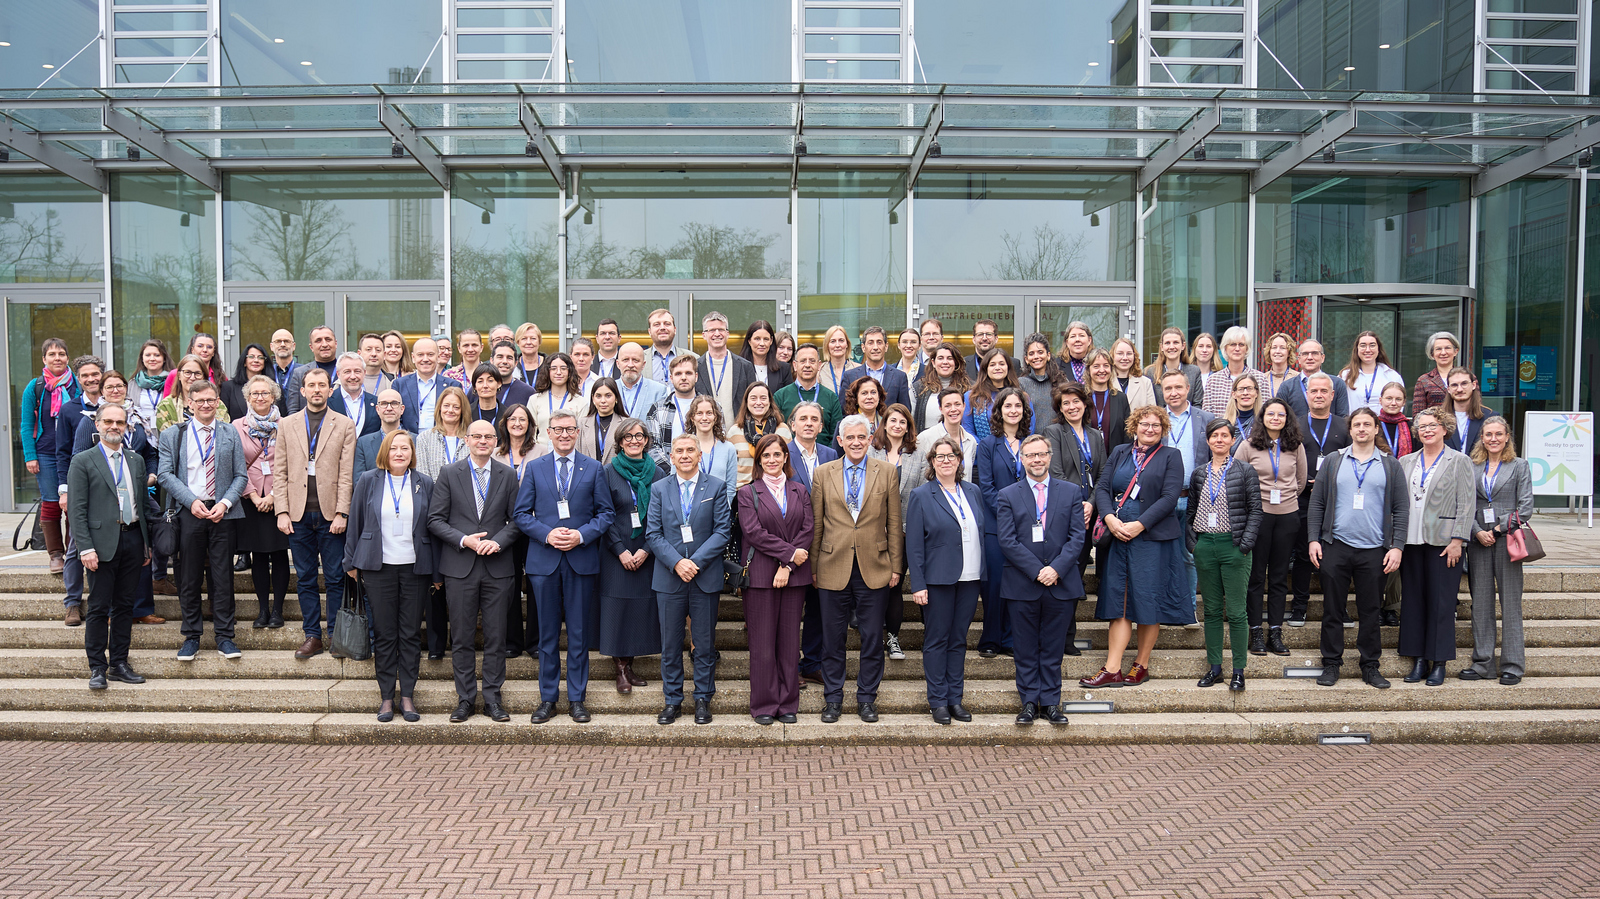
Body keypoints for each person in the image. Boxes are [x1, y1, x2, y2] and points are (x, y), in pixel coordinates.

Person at [515, 410, 615, 724]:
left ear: (577, 432)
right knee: (546, 635)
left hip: (580, 560)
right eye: (557, 429)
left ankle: (576, 699)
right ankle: (548, 699)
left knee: (579, 634)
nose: (563, 435)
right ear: (548, 431)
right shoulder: (534, 468)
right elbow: (521, 514)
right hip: (544, 562)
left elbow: (605, 514)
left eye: (569, 429)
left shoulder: (594, 468)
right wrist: (547, 534)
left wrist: (581, 535)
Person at [1081, 406, 1188, 688]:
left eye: (1156, 425)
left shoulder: (1171, 456)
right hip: (1118, 536)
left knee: (1147, 602)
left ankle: (1141, 664)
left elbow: (1169, 497)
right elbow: (1103, 487)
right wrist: (1109, 518)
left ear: (1163, 429)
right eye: (1144, 424)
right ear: (1134, 426)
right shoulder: (1119, 452)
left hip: (1152, 539)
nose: (1149, 429)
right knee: (1119, 602)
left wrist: (1140, 525)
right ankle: (1112, 668)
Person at [810, 415, 903, 723]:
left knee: (873, 637)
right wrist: (813, 566)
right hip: (831, 565)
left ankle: (866, 698)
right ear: (840, 441)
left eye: (861, 437)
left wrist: (896, 567)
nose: (856, 442)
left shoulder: (887, 472)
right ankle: (833, 699)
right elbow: (817, 523)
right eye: (849, 437)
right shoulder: (823, 473)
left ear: (869, 439)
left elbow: (893, 522)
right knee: (832, 638)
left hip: (874, 567)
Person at [1308, 407, 1406, 689]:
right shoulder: (1333, 461)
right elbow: (1317, 503)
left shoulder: (1390, 464)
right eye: (1357, 425)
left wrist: (1397, 546)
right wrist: (1314, 539)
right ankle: (1330, 663)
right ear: (1350, 430)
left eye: (1367, 424)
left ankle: (1370, 665)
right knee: (1332, 609)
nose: (1361, 429)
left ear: (1376, 429)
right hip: (1335, 545)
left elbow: (1401, 509)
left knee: (1371, 610)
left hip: (1375, 548)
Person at [428, 420, 519, 722]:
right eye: (477, 436)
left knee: (496, 636)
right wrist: (463, 539)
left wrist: (499, 542)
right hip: (459, 567)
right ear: (466, 440)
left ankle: (493, 698)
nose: (483, 441)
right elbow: (435, 520)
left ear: (496, 441)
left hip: (497, 567)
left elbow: (518, 520)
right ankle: (465, 698)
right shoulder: (449, 474)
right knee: (463, 637)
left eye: (488, 436)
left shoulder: (507, 474)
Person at [343, 431, 436, 723]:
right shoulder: (368, 480)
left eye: (404, 448)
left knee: (409, 634)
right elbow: (355, 522)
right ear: (385, 451)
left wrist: (436, 571)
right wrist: (351, 561)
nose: (399, 453)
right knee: (384, 634)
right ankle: (386, 696)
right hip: (377, 567)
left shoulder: (424, 483)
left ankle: (407, 695)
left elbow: (433, 528)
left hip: (414, 568)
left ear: (412, 453)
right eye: (393, 448)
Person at [997, 433, 1086, 725]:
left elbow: (1077, 538)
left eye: (1041, 454)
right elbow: (1007, 541)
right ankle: (1027, 703)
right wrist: (1037, 570)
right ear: (1022, 460)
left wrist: (1056, 569)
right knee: (1024, 648)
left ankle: (1050, 703)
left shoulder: (1071, 492)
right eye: (1030, 455)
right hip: (1023, 584)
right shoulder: (1008, 494)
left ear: (1050, 456)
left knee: (1052, 647)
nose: (1036, 460)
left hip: (1060, 583)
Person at [157, 379, 249, 662]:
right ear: (190, 404)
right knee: (189, 577)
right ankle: (191, 636)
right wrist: (191, 501)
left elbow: (240, 476)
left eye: (211, 400)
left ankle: (224, 636)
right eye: (200, 401)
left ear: (217, 401)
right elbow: (165, 475)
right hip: (190, 512)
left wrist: (224, 503)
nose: (206, 405)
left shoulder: (230, 433)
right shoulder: (174, 434)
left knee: (223, 577)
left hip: (223, 512)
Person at [646, 434, 731, 724]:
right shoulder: (659, 488)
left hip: (704, 577)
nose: (684, 455)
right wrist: (677, 563)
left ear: (699, 456)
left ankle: (703, 699)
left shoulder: (716, 487)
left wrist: (694, 563)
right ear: (672, 457)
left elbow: (722, 532)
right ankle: (672, 701)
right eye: (679, 451)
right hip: (669, 578)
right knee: (670, 645)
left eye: (690, 450)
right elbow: (653, 534)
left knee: (704, 644)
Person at [273, 366, 357, 660]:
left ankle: (334, 633)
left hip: (330, 514)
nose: (317, 390)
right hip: (296, 514)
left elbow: (347, 474)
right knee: (306, 577)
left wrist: (342, 513)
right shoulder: (287, 424)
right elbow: (279, 471)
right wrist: (281, 510)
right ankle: (312, 635)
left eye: (323, 385)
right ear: (303, 390)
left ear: (330, 390)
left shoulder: (344, 425)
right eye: (312, 385)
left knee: (334, 577)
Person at [68, 403, 150, 691]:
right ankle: (97, 668)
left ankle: (119, 663)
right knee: (100, 608)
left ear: (127, 426)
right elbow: (77, 511)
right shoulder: (83, 461)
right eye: (109, 422)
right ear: (98, 425)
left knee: (125, 606)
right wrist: (85, 548)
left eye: (120, 422)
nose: (114, 426)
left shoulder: (135, 460)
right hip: (100, 546)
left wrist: (147, 544)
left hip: (132, 539)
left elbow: (142, 502)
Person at [905, 434, 984, 725]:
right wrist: (919, 584)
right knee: (937, 640)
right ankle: (937, 701)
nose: (946, 461)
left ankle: (955, 699)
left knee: (958, 640)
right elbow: (914, 545)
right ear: (932, 462)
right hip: (937, 580)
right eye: (940, 456)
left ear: (960, 460)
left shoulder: (973, 492)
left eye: (951, 456)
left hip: (970, 576)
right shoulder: (922, 495)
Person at [737, 435, 814, 724]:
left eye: (777, 455)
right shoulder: (748, 493)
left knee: (789, 642)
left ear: (785, 457)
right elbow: (753, 533)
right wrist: (790, 555)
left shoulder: (799, 490)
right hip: (760, 576)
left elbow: (808, 529)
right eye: (766, 455)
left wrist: (788, 566)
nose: (772, 460)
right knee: (762, 644)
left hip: (794, 576)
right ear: (759, 460)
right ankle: (764, 706)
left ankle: (788, 703)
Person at [76, 370, 162, 626]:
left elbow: (150, 453)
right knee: (108, 573)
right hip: (104, 501)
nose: (116, 390)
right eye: (110, 386)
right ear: (102, 390)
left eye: (120, 386)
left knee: (142, 547)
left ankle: (142, 608)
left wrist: (151, 475)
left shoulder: (136, 418)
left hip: (136, 493)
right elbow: (80, 456)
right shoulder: (90, 420)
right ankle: (113, 617)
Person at [1398, 407, 1475, 687]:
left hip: (1444, 543)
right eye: (1422, 426)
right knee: (1413, 601)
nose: (1427, 430)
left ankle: (1438, 662)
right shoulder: (1405, 461)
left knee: (1441, 603)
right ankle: (1418, 659)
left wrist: (1459, 540)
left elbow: (1467, 504)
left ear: (1445, 429)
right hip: (1411, 540)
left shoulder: (1459, 461)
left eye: (1433, 425)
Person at [1187, 418, 1261, 691]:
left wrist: (1245, 544)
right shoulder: (1199, 474)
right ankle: (1215, 667)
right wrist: (1194, 544)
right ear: (1208, 441)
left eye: (1224, 435)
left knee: (1237, 612)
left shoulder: (1245, 471)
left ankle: (1239, 670)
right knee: (1213, 610)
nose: (1219, 440)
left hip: (1234, 546)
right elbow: (1192, 511)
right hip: (1206, 545)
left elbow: (1255, 510)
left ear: (1233, 440)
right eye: (1214, 435)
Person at [1233, 398, 1307, 656]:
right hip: (1258, 517)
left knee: (1278, 577)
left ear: (1288, 419)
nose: (1276, 418)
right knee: (1255, 577)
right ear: (1262, 417)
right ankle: (1255, 632)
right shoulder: (1248, 445)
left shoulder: (1295, 446)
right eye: (1271, 414)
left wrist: (1283, 497)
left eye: (1281, 414)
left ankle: (1275, 632)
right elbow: (1237, 480)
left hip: (1287, 516)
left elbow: (1300, 481)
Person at [1464, 416, 1534, 686]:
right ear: (1482, 437)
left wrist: (1495, 531)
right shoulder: (1471, 466)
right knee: (1480, 604)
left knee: (1510, 604)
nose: (1493, 439)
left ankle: (1513, 666)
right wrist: (1476, 530)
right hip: (1478, 541)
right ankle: (1483, 663)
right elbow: (1464, 503)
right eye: (1488, 434)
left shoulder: (1519, 466)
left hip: (1508, 543)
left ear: (1507, 437)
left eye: (1499, 434)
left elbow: (1525, 508)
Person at [598, 418, 665, 695]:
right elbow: (604, 514)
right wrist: (621, 550)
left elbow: (662, 516)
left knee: (641, 608)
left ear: (647, 440)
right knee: (618, 608)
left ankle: (631, 663)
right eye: (628, 437)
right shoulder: (608, 472)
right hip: (616, 551)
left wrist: (647, 549)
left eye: (639, 436)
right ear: (620, 441)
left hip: (647, 550)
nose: (634, 441)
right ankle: (621, 668)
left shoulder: (659, 474)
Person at [1288, 372, 1350, 628]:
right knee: (1304, 554)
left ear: (1332, 395)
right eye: (1314, 391)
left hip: (1337, 501)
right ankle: (1299, 607)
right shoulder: (1295, 425)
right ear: (1306, 395)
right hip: (1302, 498)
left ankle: (1339, 608)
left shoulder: (1345, 425)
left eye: (1324, 391)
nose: (1319, 395)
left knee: (1337, 556)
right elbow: (1287, 460)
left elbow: (1351, 460)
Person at [975, 387, 1033, 659]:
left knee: (1019, 583)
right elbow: (985, 487)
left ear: (1024, 410)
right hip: (995, 526)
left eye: (1017, 406)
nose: (1013, 410)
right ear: (998, 411)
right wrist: (1011, 514)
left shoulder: (1032, 442)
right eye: (1007, 406)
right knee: (994, 583)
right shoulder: (987, 445)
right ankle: (991, 639)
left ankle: (1011, 638)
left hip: (1028, 527)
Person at [1043, 382, 1105, 629]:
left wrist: (1090, 504)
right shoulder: (1054, 432)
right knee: (1064, 575)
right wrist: (1078, 506)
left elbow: (1103, 475)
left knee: (1077, 573)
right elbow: (1056, 473)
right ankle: (1061, 633)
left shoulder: (1095, 435)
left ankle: (1069, 632)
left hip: (1090, 514)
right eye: (1065, 403)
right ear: (1060, 407)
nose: (1071, 407)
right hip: (1064, 515)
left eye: (1075, 401)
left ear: (1084, 403)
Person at [414, 385, 469, 660]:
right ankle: (436, 645)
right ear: (439, 410)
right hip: (434, 518)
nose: (450, 410)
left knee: (460, 582)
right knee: (435, 583)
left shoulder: (470, 439)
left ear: (462, 410)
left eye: (455, 406)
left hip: (464, 519)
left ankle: (462, 640)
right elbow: (422, 478)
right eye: (446, 406)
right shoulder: (424, 439)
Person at [786, 401, 838, 688]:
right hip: (793, 544)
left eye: (814, 419)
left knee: (818, 609)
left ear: (821, 426)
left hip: (825, 544)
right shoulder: (782, 453)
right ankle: (790, 665)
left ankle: (813, 664)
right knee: (793, 610)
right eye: (802, 418)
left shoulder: (831, 454)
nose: (808, 423)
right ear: (793, 424)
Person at [234, 375, 292, 629]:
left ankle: (277, 610)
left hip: (280, 498)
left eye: (265, 393)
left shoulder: (288, 425)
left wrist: (273, 496)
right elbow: (235, 464)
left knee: (280, 555)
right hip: (251, 500)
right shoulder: (236, 426)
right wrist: (254, 496)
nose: (260, 397)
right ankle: (261, 610)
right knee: (257, 556)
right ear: (248, 398)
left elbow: (292, 464)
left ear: (274, 396)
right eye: (255, 393)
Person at [492, 404, 547, 660]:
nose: (517, 423)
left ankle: (535, 641)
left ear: (530, 424)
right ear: (505, 423)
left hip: (535, 527)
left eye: (522, 419)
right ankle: (512, 641)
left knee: (536, 583)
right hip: (505, 528)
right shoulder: (494, 454)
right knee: (509, 583)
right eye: (512, 419)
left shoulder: (542, 452)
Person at [22, 338, 79, 575]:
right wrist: (30, 456)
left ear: (68, 358)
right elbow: (27, 424)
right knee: (51, 501)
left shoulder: (77, 385)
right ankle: (56, 554)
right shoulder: (34, 387)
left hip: (74, 453)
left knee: (74, 504)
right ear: (44, 358)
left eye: (62, 354)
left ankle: (73, 551)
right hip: (45, 453)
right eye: (52, 354)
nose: (58, 358)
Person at [55, 355, 103, 625]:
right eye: (85, 375)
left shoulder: (114, 406)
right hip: (81, 488)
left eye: (95, 374)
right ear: (79, 379)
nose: (91, 379)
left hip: (110, 489)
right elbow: (63, 454)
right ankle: (73, 602)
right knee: (75, 545)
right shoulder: (70, 409)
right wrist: (65, 490)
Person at [868, 402, 918, 660]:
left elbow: (919, 495)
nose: (897, 425)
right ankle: (874, 636)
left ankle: (893, 638)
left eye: (903, 422)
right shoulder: (870, 452)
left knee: (895, 583)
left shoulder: (916, 454)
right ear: (884, 423)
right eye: (893, 420)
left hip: (905, 532)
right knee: (874, 585)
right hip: (872, 530)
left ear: (908, 427)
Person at [774, 343, 844, 447]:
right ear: (795, 365)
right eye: (802, 361)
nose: (807, 365)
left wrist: (824, 456)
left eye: (812, 361)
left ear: (819, 365)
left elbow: (836, 434)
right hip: (790, 458)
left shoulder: (831, 397)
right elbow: (775, 434)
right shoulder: (780, 396)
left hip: (824, 460)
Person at [643, 354, 706, 463]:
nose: (683, 377)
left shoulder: (712, 408)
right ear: (671, 378)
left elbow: (717, 441)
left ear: (696, 377)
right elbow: (652, 447)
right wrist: (673, 471)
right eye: (678, 374)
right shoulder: (657, 410)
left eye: (688, 373)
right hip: (669, 475)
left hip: (703, 472)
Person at [697, 311, 756, 424]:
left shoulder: (745, 366)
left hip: (738, 434)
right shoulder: (696, 367)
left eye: (721, 330)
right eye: (712, 330)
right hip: (706, 435)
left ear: (727, 334)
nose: (717, 334)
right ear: (704, 335)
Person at [729, 381, 792, 487]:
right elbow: (729, 468)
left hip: (776, 492)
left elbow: (789, 463)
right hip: (742, 492)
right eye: (753, 398)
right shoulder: (734, 432)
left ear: (770, 401)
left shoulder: (782, 430)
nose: (758, 402)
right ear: (746, 401)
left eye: (763, 398)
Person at [155, 354, 233, 434]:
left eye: (197, 373)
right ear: (179, 375)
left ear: (204, 376)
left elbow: (225, 435)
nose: (192, 378)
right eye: (187, 372)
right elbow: (168, 440)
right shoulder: (166, 406)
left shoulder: (217, 404)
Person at [1202, 327, 1270, 418]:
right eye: (1233, 344)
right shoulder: (1213, 380)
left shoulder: (1260, 378)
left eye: (1241, 345)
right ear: (1225, 348)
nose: (1237, 349)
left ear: (1246, 348)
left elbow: (1266, 411)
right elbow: (1206, 416)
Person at [1276, 338, 1350, 419]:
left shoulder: (1337, 384)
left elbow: (1343, 418)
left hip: (1330, 431)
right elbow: (1280, 416)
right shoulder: (1287, 387)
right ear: (1299, 359)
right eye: (1305, 354)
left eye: (1315, 353)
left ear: (1323, 358)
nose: (1310, 357)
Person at [962, 348, 1024, 442]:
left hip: (1015, 452)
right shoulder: (971, 396)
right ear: (985, 369)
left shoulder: (1021, 396)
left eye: (1002, 364)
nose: (997, 367)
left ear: (1008, 367)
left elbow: (1028, 428)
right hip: (982, 452)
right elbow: (968, 431)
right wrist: (986, 449)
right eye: (992, 364)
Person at [844, 325, 912, 410]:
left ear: (886, 347)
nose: (875, 347)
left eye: (879, 342)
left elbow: (905, 412)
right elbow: (844, 412)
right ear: (863, 347)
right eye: (870, 343)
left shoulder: (899, 377)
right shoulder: (850, 376)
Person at [395, 337, 453, 434]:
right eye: (420, 355)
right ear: (413, 358)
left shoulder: (452, 385)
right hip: (408, 441)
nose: (425, 359)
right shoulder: (400, 385)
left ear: (438, 357)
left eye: (430, 354)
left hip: (440, 441)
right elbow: (396, 417)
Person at [1340, 330, 1405, 413]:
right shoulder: (1345, 376)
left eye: (1372, 345)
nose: (1367, 350)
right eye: (1363, 345)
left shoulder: (1392, 376)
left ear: (1378, 349)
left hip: (1383, 425)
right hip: (1354, 424)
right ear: (1357, 349)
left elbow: (1399, 407)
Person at [911, 342, 970, 432]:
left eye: (950, 358)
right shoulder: (918, 388)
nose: (945, 362)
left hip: (958, 442)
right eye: (940, 358)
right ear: (933, 363)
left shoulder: (968, 389)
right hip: (926, 442)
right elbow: (910, 421)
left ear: (956, 362)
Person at [530, 352, 589, 439]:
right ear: (547, 372)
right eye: (553, 368)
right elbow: (530, 434)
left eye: (563, 368)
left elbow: (581, 436)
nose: (558, 372)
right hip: (541, 451)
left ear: (569, 372)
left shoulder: (580, 402)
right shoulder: (535, 400)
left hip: (569, 451)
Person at [1083, 348, 1132, 451]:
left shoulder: (1121, 398)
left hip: (1115, 461)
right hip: (1086, 461)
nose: (1102, 370)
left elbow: (1128, 434)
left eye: (1106, 365)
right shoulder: (1080, 397)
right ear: (1088, 370)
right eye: (1096, 366)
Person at [354, 389, 408, 479]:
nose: (389, 408)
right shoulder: (363, 443)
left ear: (402, 409)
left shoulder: (416, 440)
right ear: (377, 409)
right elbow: (359, 482)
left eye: (394, 403)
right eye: (384, 404)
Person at [1144, 326, 1203, 408]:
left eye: (1176, 342)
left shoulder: (1194, 372)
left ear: (1183, 346)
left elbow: (1198, 405)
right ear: (1162, 347)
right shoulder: (1149, 372)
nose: (1171, 347)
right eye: (1167, 343)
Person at [285, 326, 339, 414]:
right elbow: (293, 410)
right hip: (308, 426)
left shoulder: (347, 372)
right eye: (318, 341)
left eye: (328, 339)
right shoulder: (299, 373)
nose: (324, 344)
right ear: (311, 347)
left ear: (335, 343)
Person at [1441, 367, 1492, 454]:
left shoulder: (1489, 417)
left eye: (1464, 384)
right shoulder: (1439, 419)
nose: (1459, 389)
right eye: (1454, 385)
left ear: (1474, 385)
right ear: (1448, 389)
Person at [328, 352, 379, 438]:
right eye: (347, 372)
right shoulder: (328, 401)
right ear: (338, 374)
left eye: (357, 371)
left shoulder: (376, 402)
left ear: (364, 373)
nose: (353, 376)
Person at [615, 342, 669, 418]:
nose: (630, 365)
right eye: (625, 360)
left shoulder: (659, 391)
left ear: (643, 365)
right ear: (618, 364)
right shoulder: (609, 389)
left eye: (635, 360)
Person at [1412, 331, 1461, 413]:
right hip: (1434, 425)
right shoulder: (1423, 381)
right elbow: (1418, 415)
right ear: (1432, 354)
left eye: (1447, 348)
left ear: (1455, 351)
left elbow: (1475, 407)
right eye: (1438, 349)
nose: (1443, 352)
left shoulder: (1467, 378)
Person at [1017, 332, 1062, 419]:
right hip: (1030, 433)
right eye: (1031, 353)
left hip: (1056, 432)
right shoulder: (1021, 384)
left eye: (1040, 352)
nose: (1036, 356)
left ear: (1048, 355)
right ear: (1026, 359)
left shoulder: (1061, 381)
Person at [740, 319, 793, 391]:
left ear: (771, 341)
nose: (762, 343)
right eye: (757, 339)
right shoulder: (739, 367)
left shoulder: (784, 369)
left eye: (766, 339)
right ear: (749, 340)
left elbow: (787, 398)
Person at [577, 377, 622, 462]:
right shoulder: (581, 423)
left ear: (616, 398)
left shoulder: (625, 424)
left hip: (614, 474)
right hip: (588, 473)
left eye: (608, 396)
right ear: (593, 399)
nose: (603, 400)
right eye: (598, 396)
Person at [646, 308, 693, 385]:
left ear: (675, 330)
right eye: (656, 324)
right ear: (649, 331)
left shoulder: (693, 358)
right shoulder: (639, 359)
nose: (662, 328)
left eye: (667, 324)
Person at [221, 343, 268, 420]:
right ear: (244, 362)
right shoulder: (228, 387)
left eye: (260, 357)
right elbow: (223, 419)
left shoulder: (274, 387)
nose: (256, 360)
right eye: (251, 357)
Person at [132, 338, 173, 426]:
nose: (152, 359)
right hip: (142, 434)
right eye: (148, 355)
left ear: (164, 358)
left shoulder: (173, 382)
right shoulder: (133, 384)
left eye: (157, 355)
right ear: (142, 359)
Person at [1109, 337, 1158, 409]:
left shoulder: (1145, 383)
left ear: (1134, 356)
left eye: (1129, 353)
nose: (1125, 358)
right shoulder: (1106, 382)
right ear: (1112, 356)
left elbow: (1152, 412)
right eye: (1120, 353)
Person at [488, 340, 536, 407]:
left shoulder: (528, 392)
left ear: (516, 363)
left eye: (509, 358)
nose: (504, 361)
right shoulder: (480, 388)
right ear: (491, 361)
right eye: (500, 357)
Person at [839, 375, 886, 442]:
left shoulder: (887, 423)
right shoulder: (845, 424)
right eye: (864, 393)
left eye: (873, 392)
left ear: (879, 396)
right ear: (856, 398)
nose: (869, 397)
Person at [1223, 373, 1263, 444]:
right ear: (1234, 394)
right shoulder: (1224, 424)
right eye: (1240, 389)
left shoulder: (1263, 422)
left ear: (1256, 393)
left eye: (1249, 389)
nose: (1245, 393)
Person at [1258, 332, 1297, 402]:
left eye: (1282, 348)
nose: (1278, 351)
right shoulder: (1262, 379)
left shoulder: (1297, 378)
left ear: (1289, 352)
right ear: (1269, 351)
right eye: (1274, 347)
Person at [818, 325, 855, 398]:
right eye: (833, 341)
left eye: (841, 340)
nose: (837, 345)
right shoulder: (820, 371)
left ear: (847, 344)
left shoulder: (858, 369)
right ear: (827, 345)